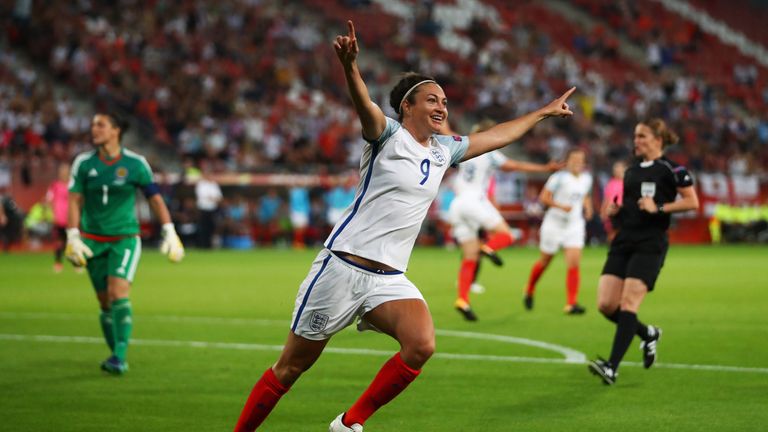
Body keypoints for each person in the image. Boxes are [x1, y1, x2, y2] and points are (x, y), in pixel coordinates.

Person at [233, 20, 575, 431]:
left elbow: (497, 136)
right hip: (341, 268)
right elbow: (365, 106)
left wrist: (543, 112)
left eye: (445, 101)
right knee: (290, 368)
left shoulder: (444, 150)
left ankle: (349, 423)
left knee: (421, 345)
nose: (442, 107)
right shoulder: (386, 134)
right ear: (407, 107)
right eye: (432, 99)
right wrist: (350, 68)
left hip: (388, 278)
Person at [66, 111, 185, 375]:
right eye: (93, 124)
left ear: (116, 130)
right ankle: (115, 354)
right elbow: (74, 200)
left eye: (100, 125)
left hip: (124, 239)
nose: (94, 129)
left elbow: (154, 198)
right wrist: (72, 236)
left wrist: (169, 230)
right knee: (104, 302)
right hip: (91, 240)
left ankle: (120, 357)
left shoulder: (136, 163)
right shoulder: (83, 164)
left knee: (118, 292)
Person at [588, 119, 699, 385]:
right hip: (624, 241)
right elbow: (630, 208)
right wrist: (617, 212)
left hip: (651, 243)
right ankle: (648, 334)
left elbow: (692, 202)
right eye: (635, 136)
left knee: (628, 304)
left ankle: (612, 367)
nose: (636, 141)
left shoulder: (673, 170)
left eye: (642, 136)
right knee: (605, 304)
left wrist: (659, 208)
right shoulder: (631, 172)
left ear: (658, 139)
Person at [449, 119, 562, 321]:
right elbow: (515, 165)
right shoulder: (489, 152)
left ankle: (463, 300)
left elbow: (447, 133)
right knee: (507, 235)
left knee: (469, 257)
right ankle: (489, 249)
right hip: (475, 199)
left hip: (457, 204)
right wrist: (545, 167)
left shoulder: (463, 147)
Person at [523, 149, 593, 314]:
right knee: (545, 261)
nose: (577, 163)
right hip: (554, 224)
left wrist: (588, 208)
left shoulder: (586, 178)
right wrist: (560, 206)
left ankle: (571, 303)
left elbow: (585, 195)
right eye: (574, 159)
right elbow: (544, 198)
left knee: (574, 263)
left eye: (580, 160)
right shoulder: (558, 178)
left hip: (574, 224)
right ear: (568, 161)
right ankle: (530, 288)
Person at [46, 163, 70, 272]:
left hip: (71, 217)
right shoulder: (55, 185)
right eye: (62, 172)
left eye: (66, 172)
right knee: (60, 241)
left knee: (71, 241)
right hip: (59, 217)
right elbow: (49, 199)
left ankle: (76, 264)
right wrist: (52, 213)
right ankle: (58, 262)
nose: (64, 174)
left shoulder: (72, 184)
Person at [600, 160, 627, 242]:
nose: (617, 170)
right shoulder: (611, 183)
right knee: (612, 236)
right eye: (615, 168)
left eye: (619, 167)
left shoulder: (628, 182)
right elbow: (606, 199)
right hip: (611, 213)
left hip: (623, 212)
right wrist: (603, 212)